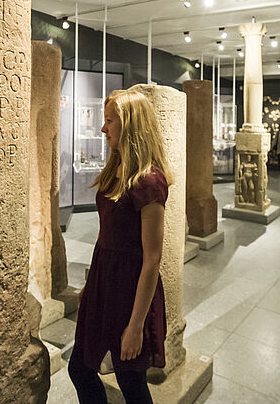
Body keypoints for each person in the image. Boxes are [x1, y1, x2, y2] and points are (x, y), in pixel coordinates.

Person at [69, 90, 171, 404]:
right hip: (104, 281)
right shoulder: (118, 168)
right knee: (81, 368)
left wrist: (136, 326)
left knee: (131, 381)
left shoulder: (148, 182)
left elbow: (152, 259)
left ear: (130, 126)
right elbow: (106, 235)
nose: (103, 129)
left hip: (130, 290)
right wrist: (90, 284)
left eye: (110, 121)